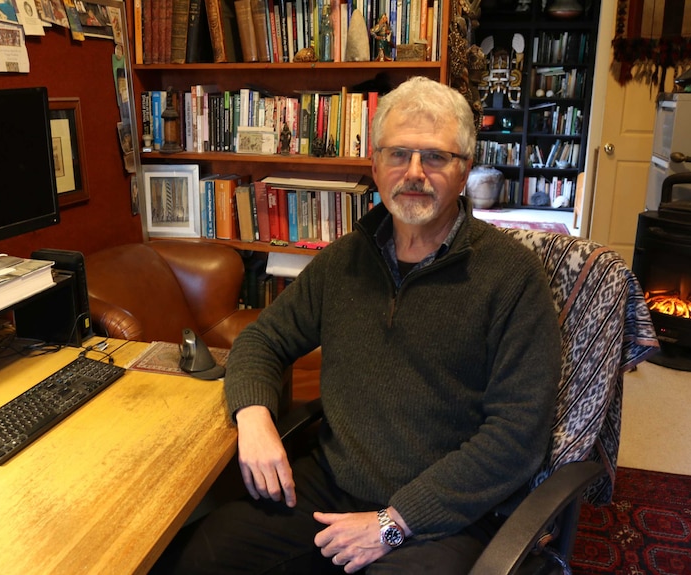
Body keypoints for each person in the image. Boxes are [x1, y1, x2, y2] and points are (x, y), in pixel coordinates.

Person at [154, 76, 561, 574]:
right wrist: (254, 416)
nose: (414, 173)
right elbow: (264, 338)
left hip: (446, 516)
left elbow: (517, 437)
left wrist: (393, 523)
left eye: (435, 157)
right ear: (374, 165)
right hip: (333, 485)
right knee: (205, 556)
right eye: (398, 154)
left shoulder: (513, 277)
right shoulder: (344, 260)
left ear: (465, 170)